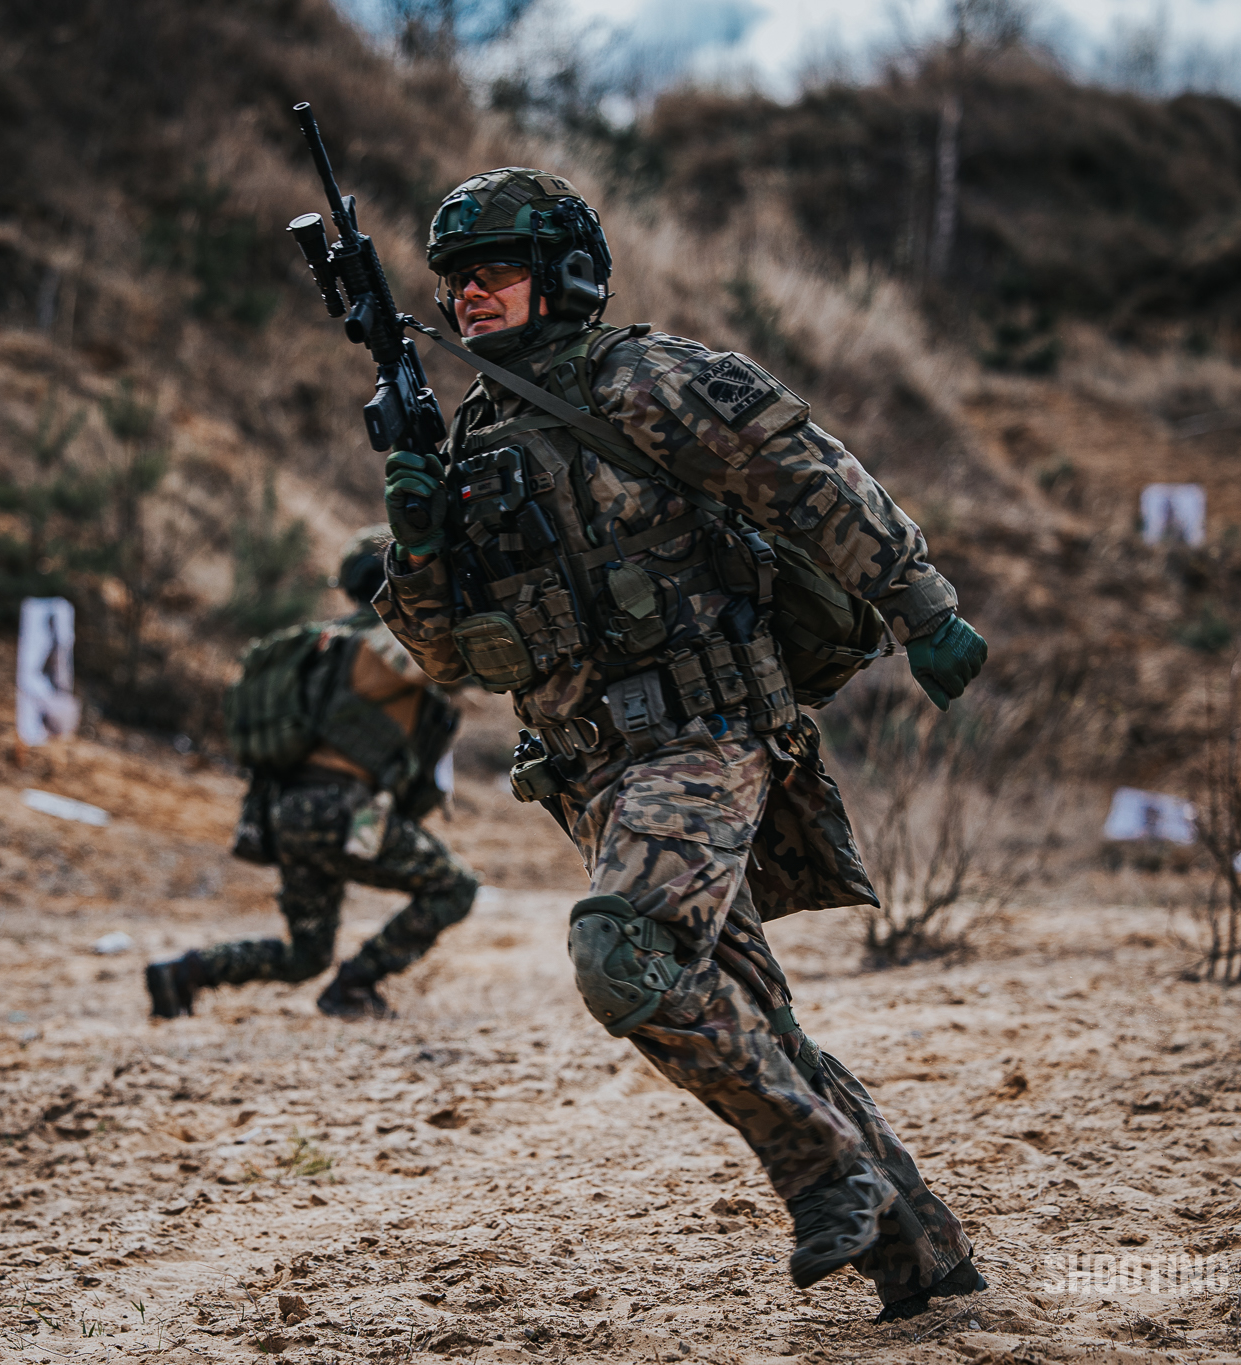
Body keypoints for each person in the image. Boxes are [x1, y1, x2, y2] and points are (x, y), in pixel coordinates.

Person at [370, 169, 990, 1320]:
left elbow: (808, 476)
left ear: (563, 276)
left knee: (621, 955)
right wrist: (413, 530)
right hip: (594, 773)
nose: (465, 297)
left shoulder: (651, 380)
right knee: (744, 1018)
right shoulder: (468, 441)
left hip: (709, 733)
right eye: (452, 280)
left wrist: (923, 610)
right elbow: (447, 656)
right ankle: (926, 1262)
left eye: (492, 272)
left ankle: (818, 1173)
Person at [146, 528, 479, 1020]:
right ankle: (353, 984)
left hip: (289, 809)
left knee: (305, 955)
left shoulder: (323, 643)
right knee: (455, 887)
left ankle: (185, 973)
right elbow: (469, 671)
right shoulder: (389, 644)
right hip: (343, 809)